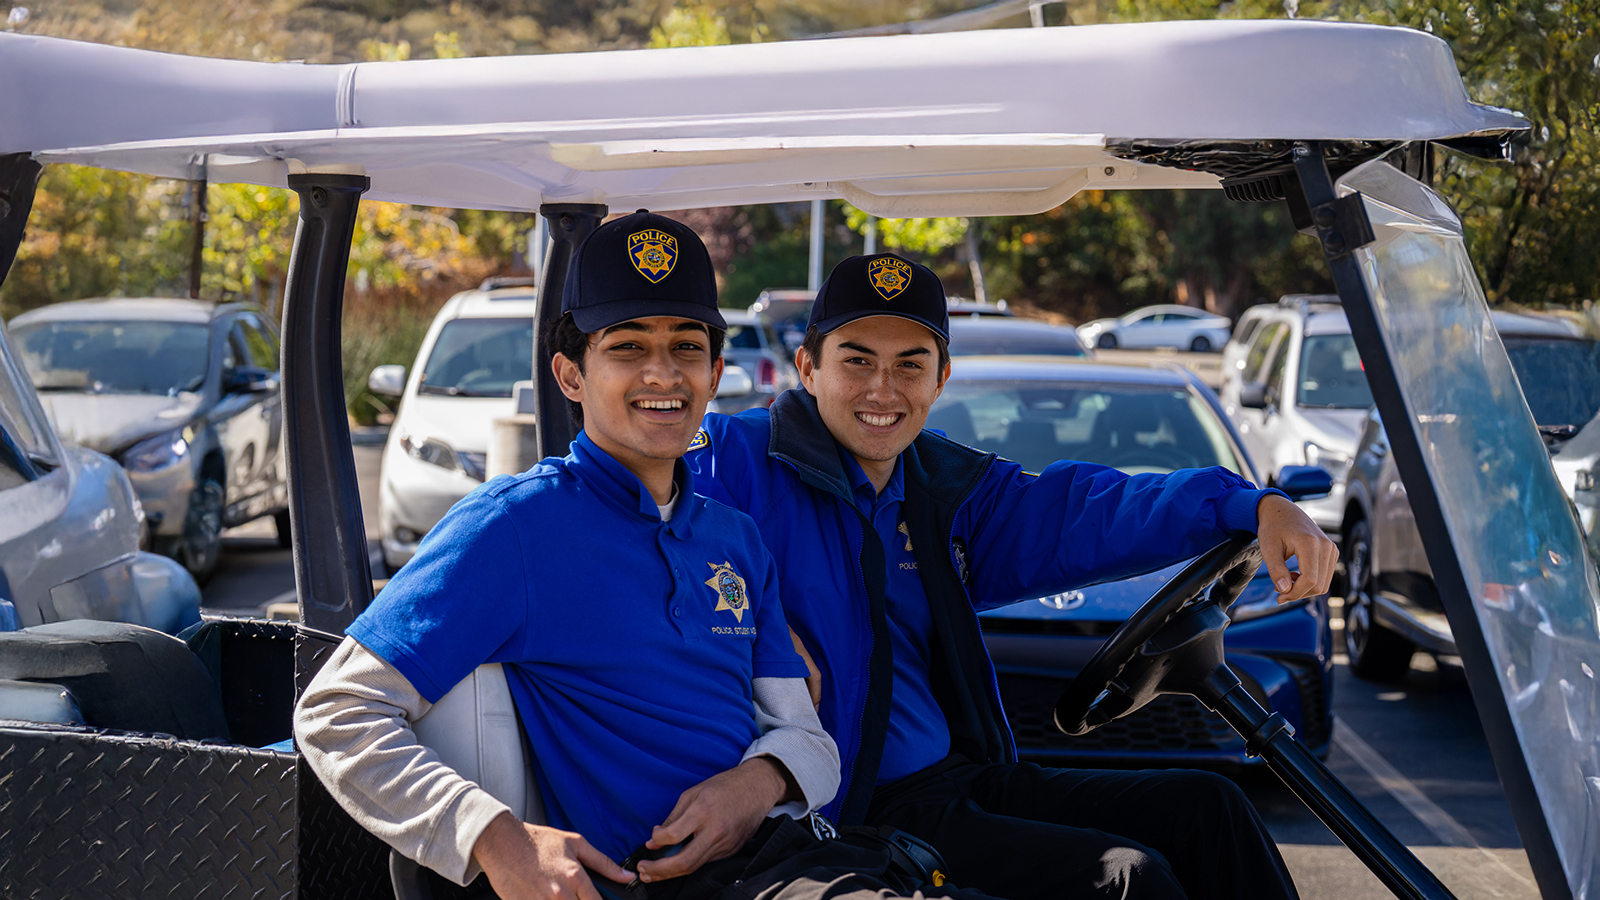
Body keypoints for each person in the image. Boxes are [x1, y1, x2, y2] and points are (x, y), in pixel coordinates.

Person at [294, 213, 1010, 900]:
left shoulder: (733, 539)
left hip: (793, 854)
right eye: (628, 347)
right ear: (571, 377)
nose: (663, 375)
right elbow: (336, 712)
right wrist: (494, 837)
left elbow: (809, 739)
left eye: (686, 348)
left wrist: (757, 782)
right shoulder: (513, 527)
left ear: (715, 370)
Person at [687, 251, 1340, 900]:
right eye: (857, 360)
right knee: (1126, 879)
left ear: (940, 379)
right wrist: (751, 635)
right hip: (844, 809)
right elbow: (632, 524)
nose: (882, 390)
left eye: (909, 364)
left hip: (950, 782)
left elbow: (1089, 512)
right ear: (808, 368)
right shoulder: (738, 462)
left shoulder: (945, 490)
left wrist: (1254, 504)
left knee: (1209, 806)